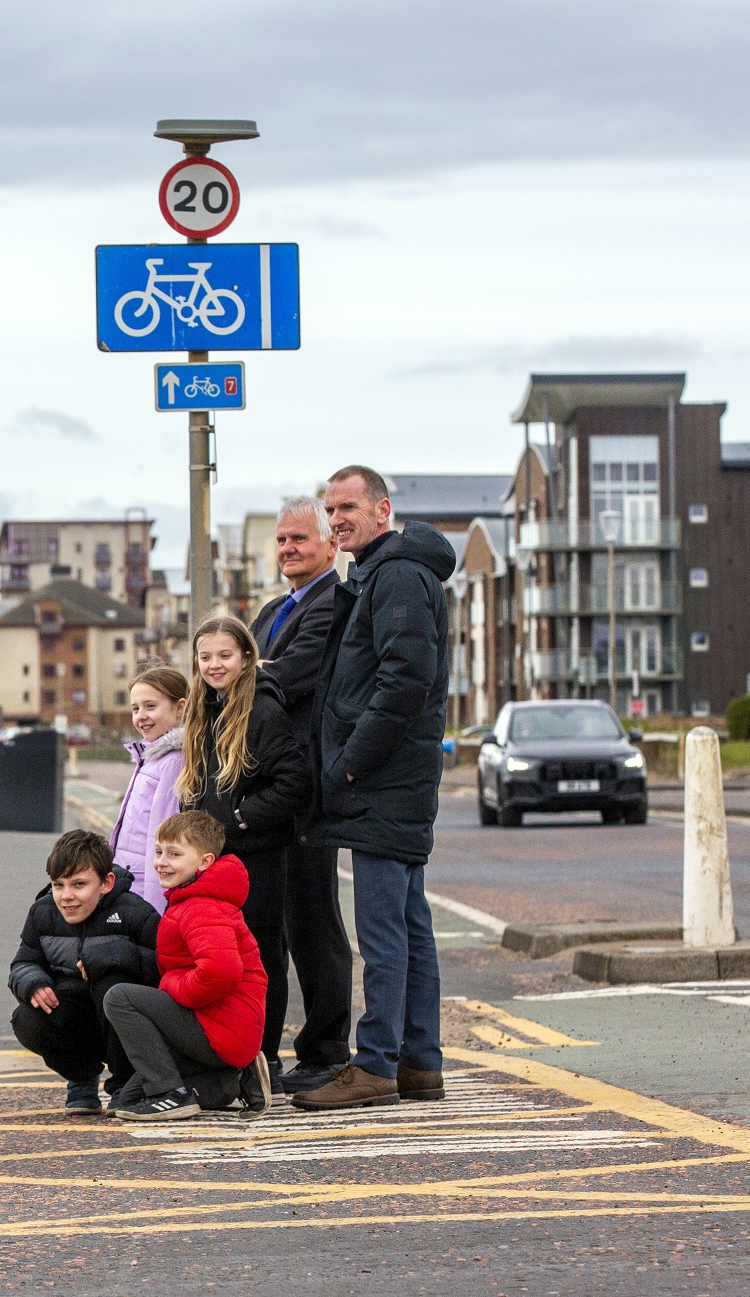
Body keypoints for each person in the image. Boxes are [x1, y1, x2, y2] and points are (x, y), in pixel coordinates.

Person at [293, 464, 457, 1113]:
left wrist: (349, 764)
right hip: (391, 779)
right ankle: (419, 1061)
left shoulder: (394, 574)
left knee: (384, 931)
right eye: (330, 509)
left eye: (347, 507)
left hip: (383, 781)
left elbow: (403, 680)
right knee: (409, 926)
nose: (336, 519)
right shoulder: (380, 572)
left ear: (381, 509)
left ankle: (375, 1062)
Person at [180, 613, 313, 1090]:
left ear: (247, 658)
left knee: (260, 958)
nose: (214, 665)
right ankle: (229, 1058)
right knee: (219, 960)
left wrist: (237, 819)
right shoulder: (202, 710)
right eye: (205, 657)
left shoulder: (263, 709)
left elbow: (294, 781)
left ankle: (266, 1059)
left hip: (257, 858)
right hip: (212, 863)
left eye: (224, 655)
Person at [248, 495, 353, 1095]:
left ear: (329, 546)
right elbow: (250, 668)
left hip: (307, 785)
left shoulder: (332, 603)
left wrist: (246, 674)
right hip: (266, 788)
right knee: (265, 928)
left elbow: (291, 673)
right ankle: (263, 1052)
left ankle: (327, 1049)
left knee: (314, 923)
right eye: (282, 541)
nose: (288, 549)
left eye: (300, 540)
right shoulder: (271, 610)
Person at [102, 811, 269, 1122]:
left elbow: (221, 970)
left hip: (220, 1027)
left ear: (205, 861)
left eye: (174, 854)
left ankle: (171, 1094)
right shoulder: (193, 898)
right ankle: (233, 1080)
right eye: (159, 851)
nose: (161, 862)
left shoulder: (201, 906)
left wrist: (173, 989)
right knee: (127, 1101)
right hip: (223, 1029)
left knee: (119, 997)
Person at [7, 830, 160, 1114]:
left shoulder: (136, 913)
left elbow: (164, 969)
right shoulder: (42, 913)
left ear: (106, 883)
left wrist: (115, 957)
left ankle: (126, 1083)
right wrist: (33, 983)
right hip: (75, 1014)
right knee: (26, 1018)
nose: (67, 896)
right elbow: (23, 963)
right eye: (58, 885)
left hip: (124, 1023)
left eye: (79, 884)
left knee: (113, 982)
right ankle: (81, 1078)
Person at [107, 666, 189, 913]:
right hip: (127, 881)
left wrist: (157, 907)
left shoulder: (173, 761)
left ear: (180, 708)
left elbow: (162, 834)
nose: (141, 715)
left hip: (144, 890)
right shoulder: (150, 756)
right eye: (135, 708)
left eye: (150, 706)